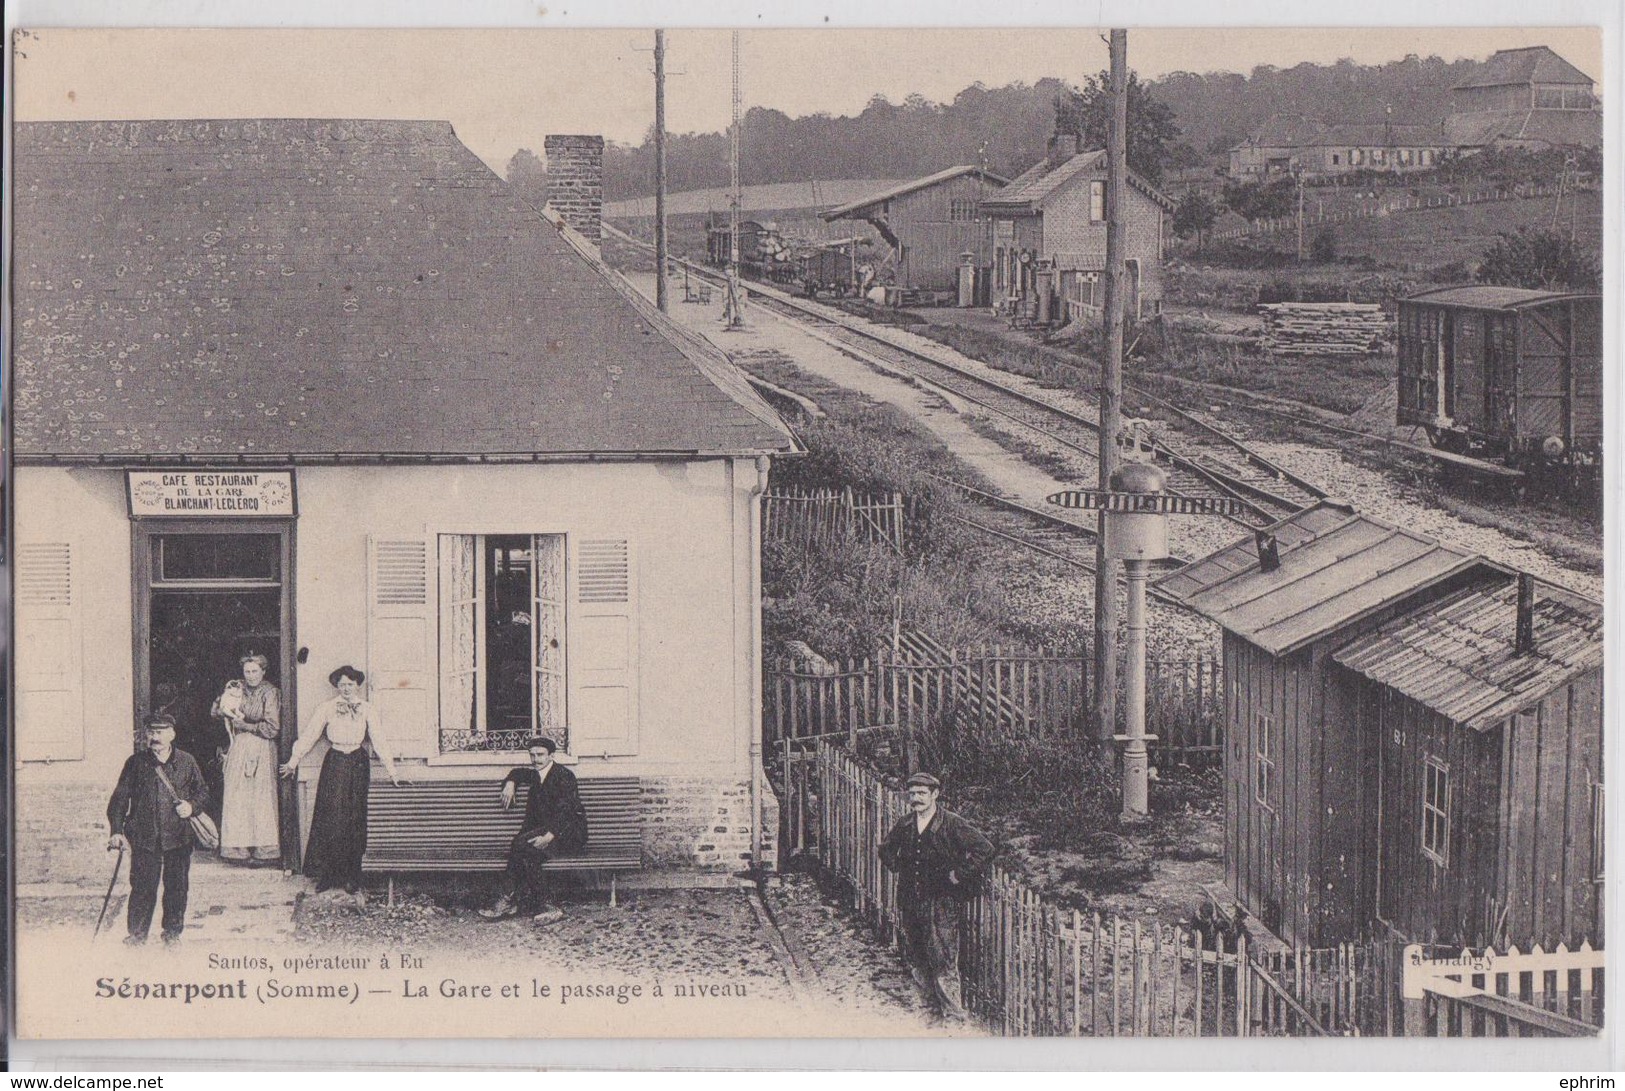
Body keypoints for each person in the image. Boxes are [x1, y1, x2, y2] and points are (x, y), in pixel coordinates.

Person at [878, 772, 995, 1023]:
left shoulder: (952, 824)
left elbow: (984, 849)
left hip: (942, 903)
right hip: (911, 899)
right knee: (917, 955)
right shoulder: (906, 824)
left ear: (935, 795)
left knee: (943, 959)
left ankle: (953, 1015)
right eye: (913, 794)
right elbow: (886, 849)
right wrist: (898, 866)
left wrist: (958, 875)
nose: (916, 799)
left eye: (922, 793)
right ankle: (929, 1008)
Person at [279, 665, 401, 896]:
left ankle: (351, 877)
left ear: (358, 685)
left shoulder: (366, 709)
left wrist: (392, 770)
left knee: (354, 818)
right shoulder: (326, 708)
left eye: (351, 684)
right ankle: (327, 875)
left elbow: (379, 739)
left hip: (357, 763)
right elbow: (310, 735)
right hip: (335, 762)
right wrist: (293, 761)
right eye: (342, 684)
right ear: (337, 686)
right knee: (330, 816)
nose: (346, 688)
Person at [106, 715, 210, 946]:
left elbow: (203, 792)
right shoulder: (135, 763)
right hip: (145, 836)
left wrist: (191, 806)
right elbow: (120, 799)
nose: (155, 737)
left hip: (178, 836)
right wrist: (116, 829)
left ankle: (172, 934)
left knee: (176, 888)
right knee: (142, 887)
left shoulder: (186, 761)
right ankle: (136, 935)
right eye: (152, 732)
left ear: (172, 734)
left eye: (161, 731)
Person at [478, 737, 587, 926]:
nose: (536, 759)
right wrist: (511, 782)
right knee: (528, 853)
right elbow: (518, 772)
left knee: (521, 846)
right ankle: (544, 906)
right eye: (532, 755)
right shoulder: (536, 774)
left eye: (540, 755)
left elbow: (568, 812)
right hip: (548, 832)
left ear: (551, 756)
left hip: (568, 835)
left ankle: (511, 901)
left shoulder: (564, 776)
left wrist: (549, 836)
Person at [212, 652, 281, 864]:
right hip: (238, 745)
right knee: (237, 795)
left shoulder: (269, 692)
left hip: (260, 746)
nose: (250, 676)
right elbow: (215, 712)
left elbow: (272, 728)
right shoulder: (237, 688)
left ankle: (263, 849)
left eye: (254, 671)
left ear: (263, 671)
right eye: (247, 671)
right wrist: (223, 702)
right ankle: (238, 848)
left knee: (260, 798)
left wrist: (246, 726)